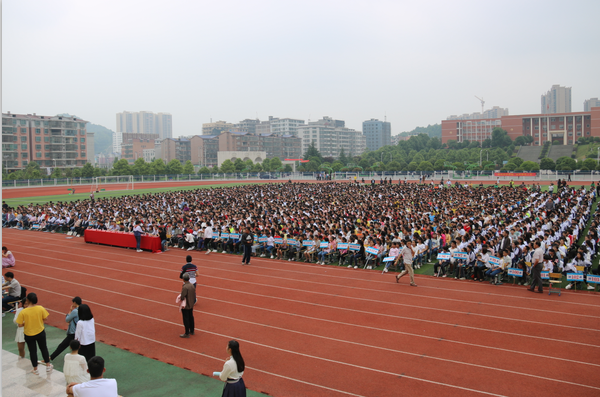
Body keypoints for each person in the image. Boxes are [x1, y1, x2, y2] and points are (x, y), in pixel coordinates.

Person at [15, 292, 53, 375]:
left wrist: (27, 322)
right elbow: (45, 318)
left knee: (32, 351)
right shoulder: (40, 308)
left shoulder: (23, 312)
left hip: (29, 334)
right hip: (40, 331)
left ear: (27, 300)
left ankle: (35, 369)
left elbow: (20, 324)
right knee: (43, 348)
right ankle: (48, 365)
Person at [50, 296, 81, 361]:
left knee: (62, 346)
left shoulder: (75, 311)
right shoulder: (82, 309)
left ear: (75, 302)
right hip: (79, 332)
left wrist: (70, 310)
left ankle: (50, 358)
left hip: (72, 332)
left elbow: (67, 320)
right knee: (79, 346)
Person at [180, 273, 196, 338]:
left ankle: (187, 333)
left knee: (186, 319)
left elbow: (182, 296)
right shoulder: (192, 285)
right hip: (191, 304)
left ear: (183, 279)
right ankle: (192, 330)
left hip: (186, 305)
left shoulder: (185, 286)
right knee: (191, 317)